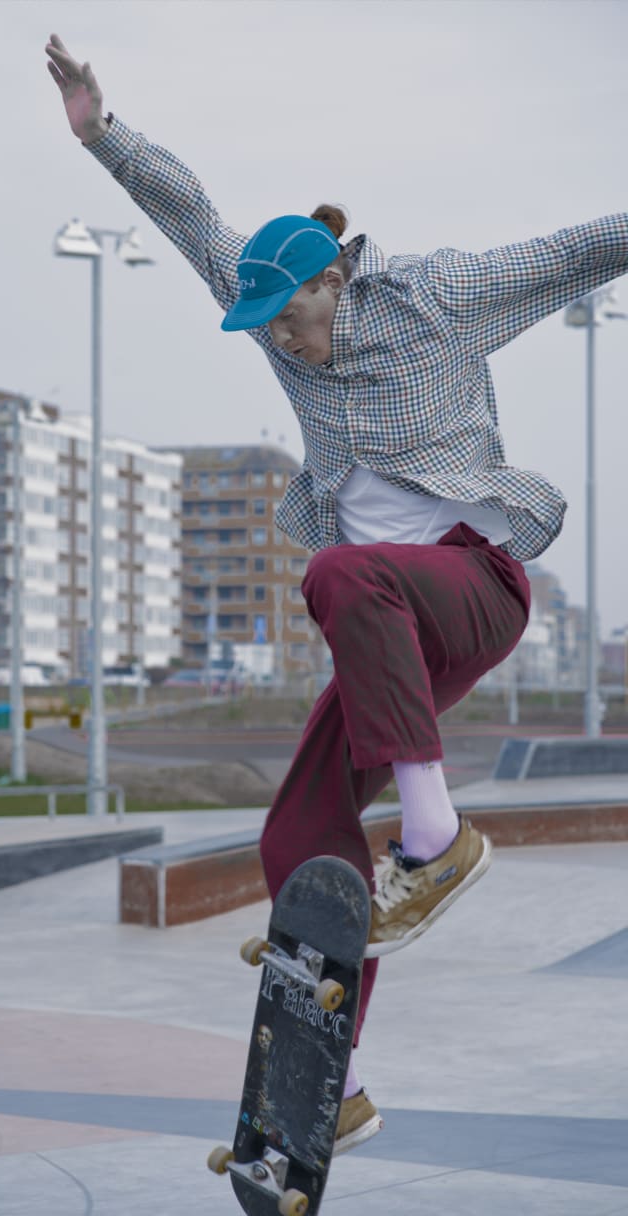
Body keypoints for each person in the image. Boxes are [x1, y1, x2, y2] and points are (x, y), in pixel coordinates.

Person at [45, 33, 628, 1152]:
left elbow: (575, 248)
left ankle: (434, 832)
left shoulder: (435, 294)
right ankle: (320, 1095)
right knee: (296, 838)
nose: (279, 342)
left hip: (472, 587)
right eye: (263, 327)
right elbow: (191, 215)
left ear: (333, 278)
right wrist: (99, 133)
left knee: (337, 570)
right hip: (387, 637)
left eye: (291, 320)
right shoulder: (265, 297)